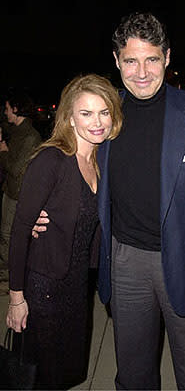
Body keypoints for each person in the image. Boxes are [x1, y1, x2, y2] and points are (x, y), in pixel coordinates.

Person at [33, 12, 185, 390]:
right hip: (125, 261)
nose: (141, 72)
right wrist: (41, 212)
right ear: (117, 61)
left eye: (151, 59)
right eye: (131, 60)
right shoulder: (105, 114)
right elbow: (69, 163)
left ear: (167, 57)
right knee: (133, 376)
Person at [6, 74, 122, 390]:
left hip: (77, 285)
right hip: (43, 285)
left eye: (104, 112)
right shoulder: (51, 159)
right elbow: (19, 231)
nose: (97, 122)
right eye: (86, 113)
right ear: (69, 118)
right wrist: (17, 298)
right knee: (40, 375)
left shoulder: (102, 160)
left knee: (65, 370)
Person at [0, 91, 41, 283]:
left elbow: (16, 169)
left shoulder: (29, 137)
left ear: (16, 109)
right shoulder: (16, 131)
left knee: (9, 235)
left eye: (7, 108)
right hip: (10, 189)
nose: (5, 112)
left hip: (17, 193)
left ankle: (10, 277)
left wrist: (3, 149)